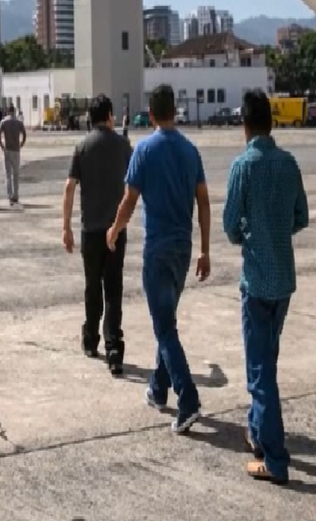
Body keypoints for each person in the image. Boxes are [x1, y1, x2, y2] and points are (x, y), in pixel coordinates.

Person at [107, 84, 211, 433]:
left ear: (150, 114)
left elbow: (129, 200)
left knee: (164, 328)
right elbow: (204, 202)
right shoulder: (190, 150)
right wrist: (205, 249)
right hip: (183, 249)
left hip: (158, 249)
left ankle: (189, 399)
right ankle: (157, 389)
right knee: (166, 322)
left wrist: (114, 229)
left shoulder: (145, 149)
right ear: (175, 112)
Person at [223, 89, 309, 484]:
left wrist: (249, 235)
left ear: (244, 123)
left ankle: (274, 460)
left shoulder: (244, 166)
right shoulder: (288, 164)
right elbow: (301, 216)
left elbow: (229, 224)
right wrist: (277, 231)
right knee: (267, 361)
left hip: (257, 280)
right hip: (284, 281)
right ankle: (257, 433)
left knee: (260, 372)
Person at [63, 94, 133, 375]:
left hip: (90, 230)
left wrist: (66, 226)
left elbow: (69, 187)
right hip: (115, 229)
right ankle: (113, 347)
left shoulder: (81, 147)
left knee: (92, 286)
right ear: (110, 116)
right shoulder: (123, 146)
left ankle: (91, 338)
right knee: (113, 289)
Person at [0, 105, 27, 205]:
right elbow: (24, 134)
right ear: (14, 111)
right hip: (16, 150)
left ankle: (10, 195)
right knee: (16, 174)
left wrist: (2, 146)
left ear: (7, 111)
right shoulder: (19, 122)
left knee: (8, 174)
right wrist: (21, 144)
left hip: (7, 150)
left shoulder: (4, 122)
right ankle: (16, 195)